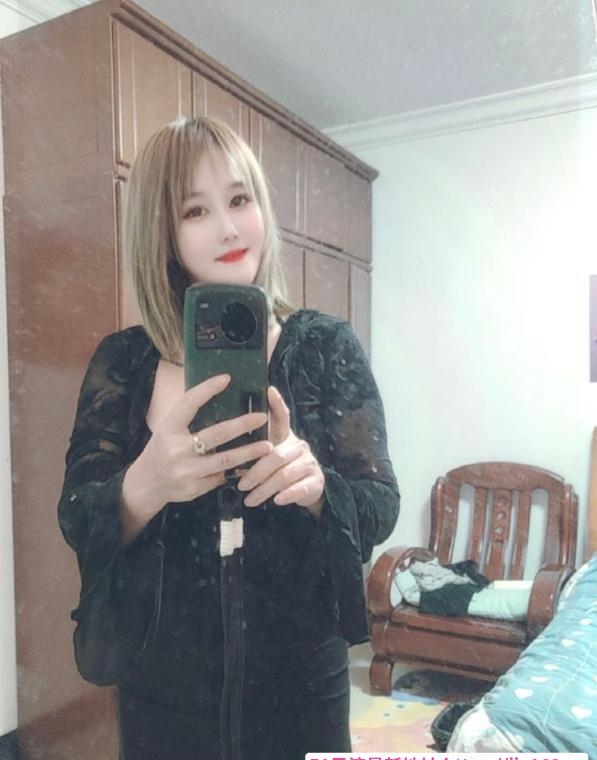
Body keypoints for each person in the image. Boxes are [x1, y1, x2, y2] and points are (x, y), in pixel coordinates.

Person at [58, 116, 400, 760]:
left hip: (301, 691)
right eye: (196, 210)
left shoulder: (325, 347)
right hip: (161, 692)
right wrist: (146, 484)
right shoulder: (123, 363)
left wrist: (318, 488)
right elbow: (77, 516)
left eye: (240, 199)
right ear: (162, 233)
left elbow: (379, 505)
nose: (229, 228)